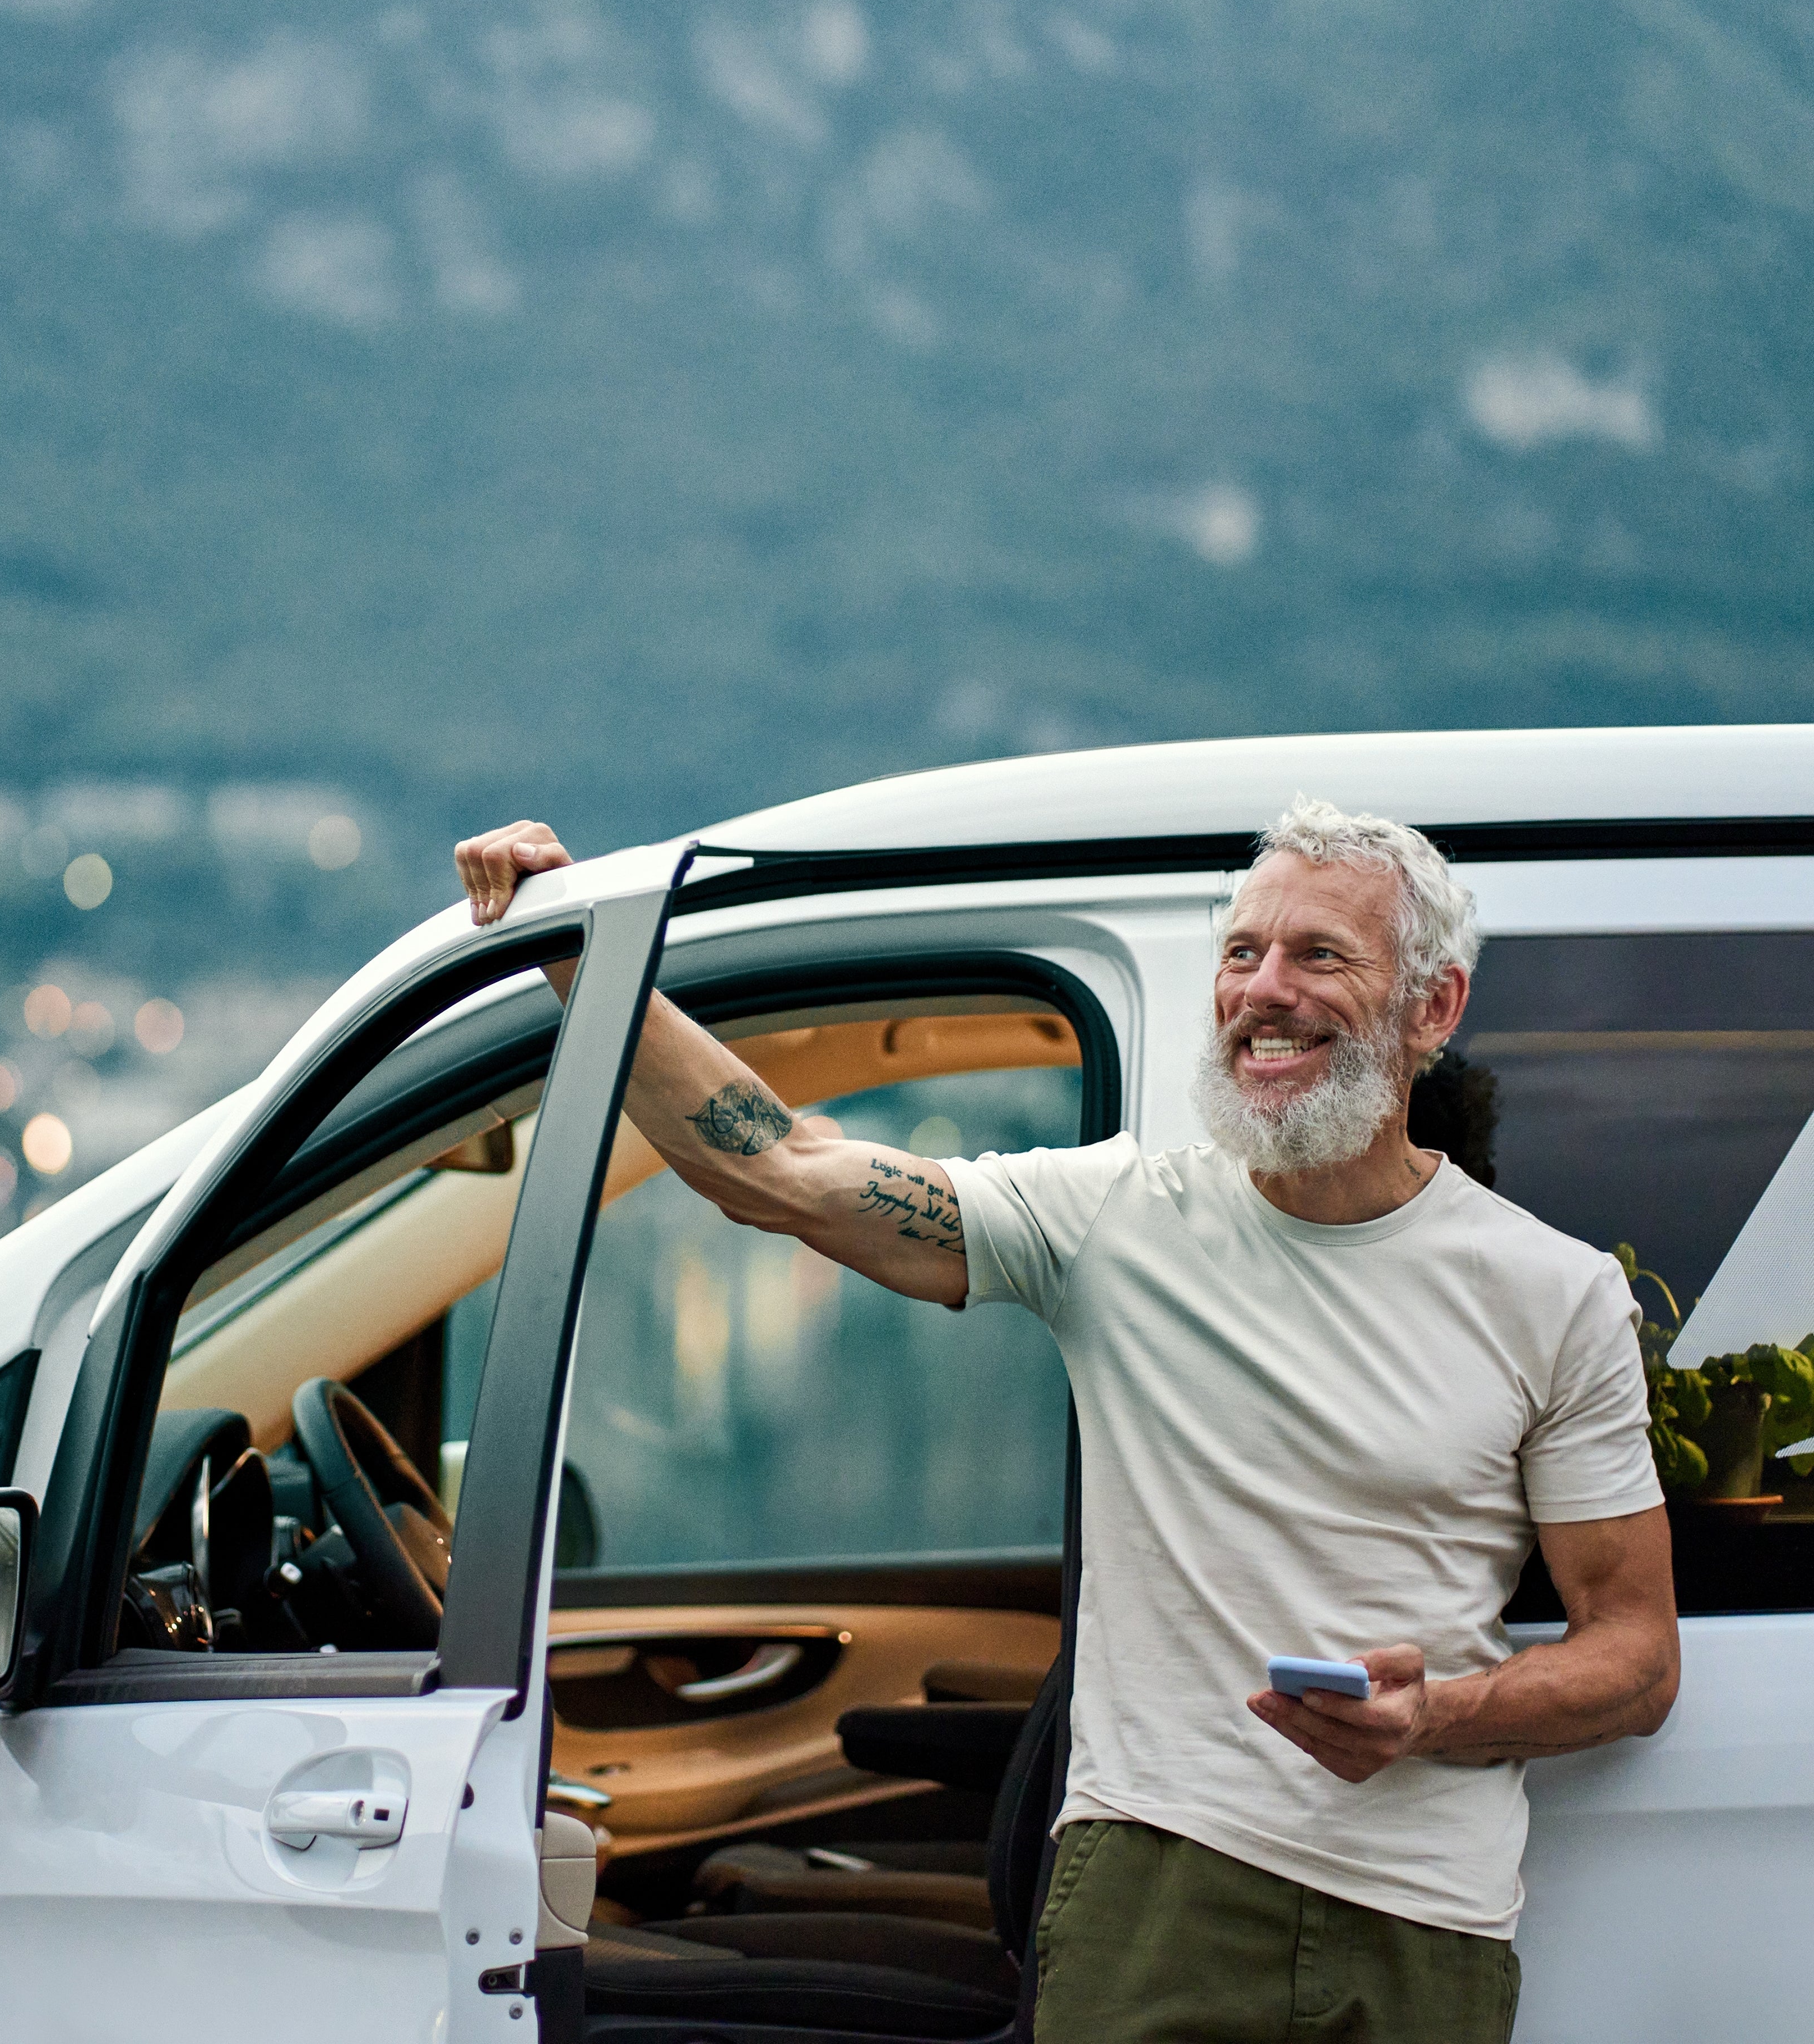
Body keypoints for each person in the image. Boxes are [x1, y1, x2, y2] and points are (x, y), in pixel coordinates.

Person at [454, 797, 1678, 2044]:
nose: (1266, 990)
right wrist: (580, 952)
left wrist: (1437, 1718)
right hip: (1161, 1888)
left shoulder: (1554, 1292)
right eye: (1242, 953)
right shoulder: (1117, 1219)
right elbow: (775, 1170)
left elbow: (1636, 1655)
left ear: (1433, 1009)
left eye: (1321, 956)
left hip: (1428, 1921)